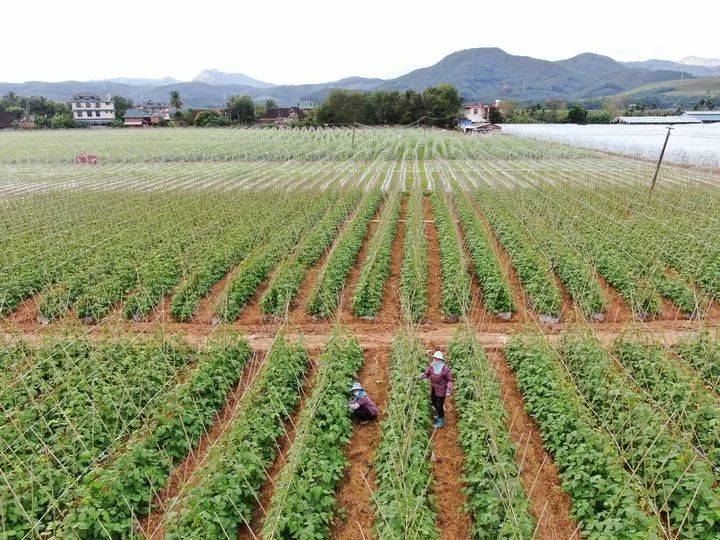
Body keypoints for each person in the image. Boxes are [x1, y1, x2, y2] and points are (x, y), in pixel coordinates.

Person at [418, 350, 453, 428]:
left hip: (442, 389)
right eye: (435, 358)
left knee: (439, 404)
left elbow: (449, 380)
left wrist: (448, 390)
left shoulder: (445, 369)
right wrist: (419, 377)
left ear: (441, 360)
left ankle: (440, 420)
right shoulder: (432, 366)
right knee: (433, 402)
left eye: (438, 359)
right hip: (434, 387)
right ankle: (439, 414)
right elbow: (426, 374)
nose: (436, 360)